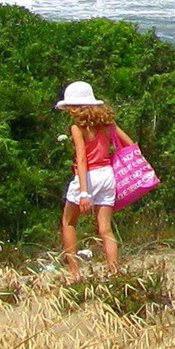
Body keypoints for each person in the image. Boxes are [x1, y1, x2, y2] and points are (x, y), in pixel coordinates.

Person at [57, 80, 134, 275]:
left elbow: (82, 159)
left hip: (88, 176)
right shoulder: (108, 124)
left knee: (68, 222)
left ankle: (74, 273)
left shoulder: (77, 128)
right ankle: (114, 271)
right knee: (105, 228)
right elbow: (129, 144)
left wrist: (83, 191)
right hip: (108, 174)